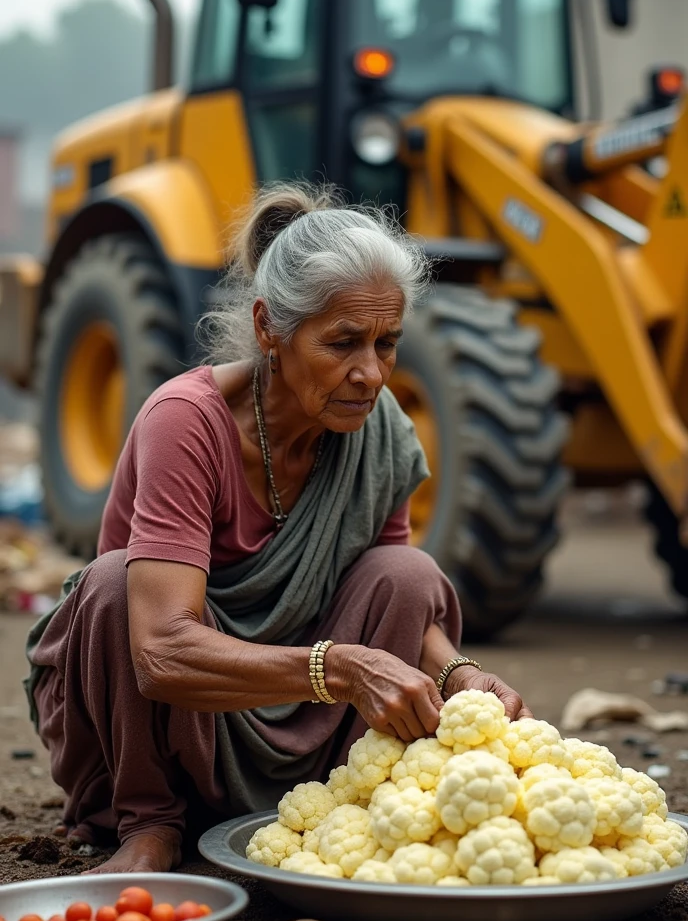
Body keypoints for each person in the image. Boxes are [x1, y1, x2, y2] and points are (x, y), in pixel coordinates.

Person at [25, 184, 532, 875]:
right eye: (343, 343)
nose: (370, 373)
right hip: (159, 720)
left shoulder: (376, 428)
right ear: (269, 329)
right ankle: (150, 825)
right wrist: (339, 668)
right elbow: (160, 653)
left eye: (388, 344)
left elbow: (391, 594)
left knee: (408, 573)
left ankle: (329, 801)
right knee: (115, 587)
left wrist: (458, 670)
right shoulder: (186, 422)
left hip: (305, 709)